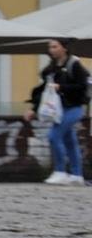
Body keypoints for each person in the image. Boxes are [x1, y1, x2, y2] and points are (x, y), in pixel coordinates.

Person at [30, 39, 89, 185]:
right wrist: (34, 109)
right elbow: (44, 91)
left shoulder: (74, 64)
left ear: (64, 48)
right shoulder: (51, 68)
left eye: (55, 46)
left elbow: (82, 85)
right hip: (59, 109)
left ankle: (60, 171)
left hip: (75, 108)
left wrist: (60, 87)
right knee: (70, 141)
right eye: (50, 47)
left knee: (53, 136)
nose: (51, 49)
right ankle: (77, 175)